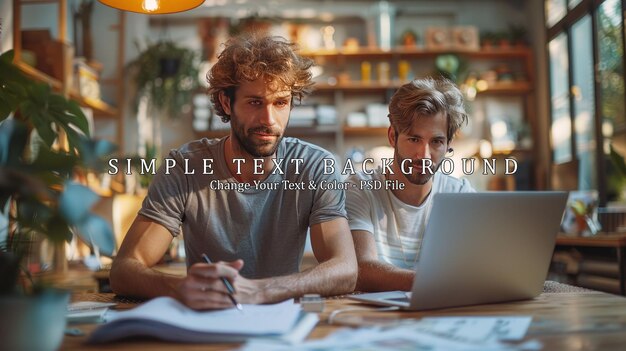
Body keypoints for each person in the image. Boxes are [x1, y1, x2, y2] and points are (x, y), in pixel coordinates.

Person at [110, 34, 357, 310]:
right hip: (208, 322)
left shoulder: (315, 166)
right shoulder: (183, 168)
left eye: (280, 103)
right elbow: (123, 270)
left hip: (283, 324)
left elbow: (345, 269)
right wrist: (179, 287)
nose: (269, 120)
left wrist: (259, 291)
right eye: (255, 102)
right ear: (226, 103)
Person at [345, 77, 475, 292]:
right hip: (375, 318)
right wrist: (432, 284)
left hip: (441, 312)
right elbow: (362, 269)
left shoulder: (460, 194)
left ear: (448, 144)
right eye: (414, 139)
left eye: (436, 142)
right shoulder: (360, 189)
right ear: (392, 137)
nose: (424, 155)